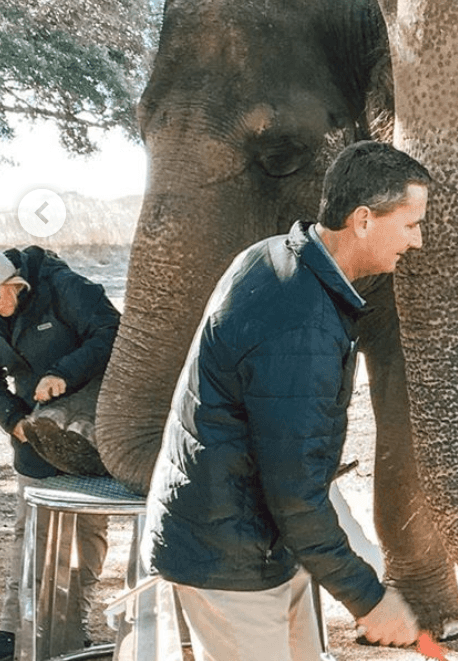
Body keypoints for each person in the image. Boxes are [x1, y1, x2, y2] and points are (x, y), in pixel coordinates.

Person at [142, 140, 428, 661]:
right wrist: (369, 600)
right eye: (410, 224)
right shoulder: (304, 323)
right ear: (363, 220)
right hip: (228, 556)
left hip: (259, 537)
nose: (418, 240)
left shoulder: (276, 255)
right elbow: (296, 492)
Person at [0, 246, 120, 661]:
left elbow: (112, 331)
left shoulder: (66, 287)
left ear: (16, 283)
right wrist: (12, 420)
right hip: (34, 436)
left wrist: (63, 373)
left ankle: (72, 631)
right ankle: (13, 633)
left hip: (89, 431)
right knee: (29, 537)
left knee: (85, 541)